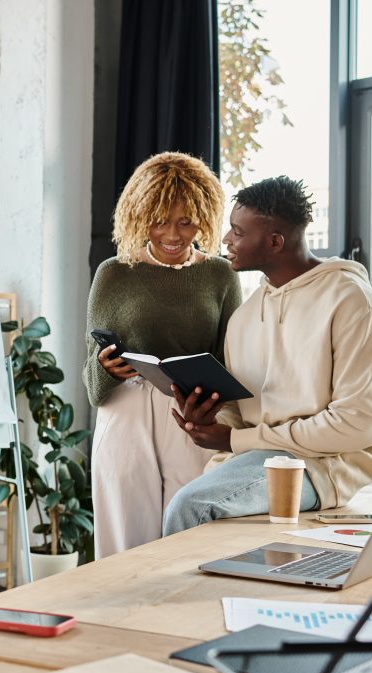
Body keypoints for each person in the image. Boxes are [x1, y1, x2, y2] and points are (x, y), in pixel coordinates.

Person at [164, 175, 372, 533]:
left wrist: (235, 439)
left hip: (320, 466)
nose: (226, 240)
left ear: (274, 241)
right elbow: (241, 414)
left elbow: (356, 426)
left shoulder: (354, 303)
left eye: (238, 232)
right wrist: (211, 421)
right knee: (186, 506)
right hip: (255, 458)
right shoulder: (244, 317)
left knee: (191, 507)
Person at [84, 152, 241, 559]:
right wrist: (106, 369)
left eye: (186, 221)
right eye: (159, 221)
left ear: (204, 217)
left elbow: (233, 357)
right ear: (140, 217)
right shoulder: (113, 273)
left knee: (189, 540)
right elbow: (90, 372)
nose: (172, 234)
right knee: (124, 542)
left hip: (192, 415)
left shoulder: (220, 275)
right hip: (125, 411)